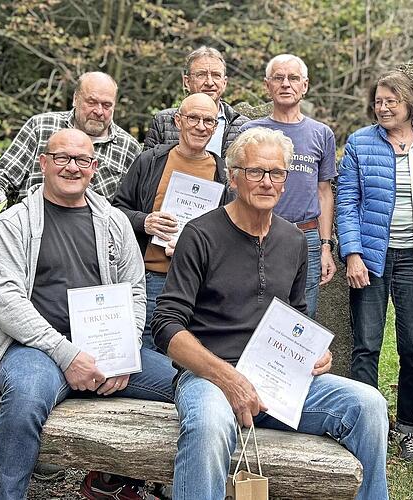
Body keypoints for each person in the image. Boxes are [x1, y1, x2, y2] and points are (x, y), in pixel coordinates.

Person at [151, 127, 389, 500]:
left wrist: (313, 352)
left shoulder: (294, 240)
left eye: (277, 172)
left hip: (279, 383)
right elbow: (166, 325)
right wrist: (229, 379)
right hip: (210, 379)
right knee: (209, 426)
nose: (267, 182)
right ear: (233, 178)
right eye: (256, 171)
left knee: (368, 404)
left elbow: (296, 317)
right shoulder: (199, 235)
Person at [0, 129, 174, 500]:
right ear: (44, 162)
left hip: (106, 347)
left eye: (82, 159)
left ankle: (114, 482)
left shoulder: (114, 221)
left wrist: (124, 353)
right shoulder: (13, 224)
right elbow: (6, 302)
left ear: (94, 167)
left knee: (187, 385)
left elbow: (134, 289)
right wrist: (67, 355)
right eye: (62, 158)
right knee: (25, 400)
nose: (72, 167)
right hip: (36, 350)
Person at [0, 72, 142, 380]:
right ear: (75, 99)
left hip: (91, 233)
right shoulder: (41, 125)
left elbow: (130, 204)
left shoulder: (129, 147)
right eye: (91, 102)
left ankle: (106, 346)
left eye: (107, 105)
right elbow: (3, 173)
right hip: (32, 228)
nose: (99, 111)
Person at [336, 71, 413, 461]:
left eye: (391, 101)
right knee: (366, 346)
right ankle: (367, 427)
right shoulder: (359, 143)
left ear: (410, 103)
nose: (383, 108)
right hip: (371, 259)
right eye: (378, 102)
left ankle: (408, 427)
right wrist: (352, 253)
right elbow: (347, 203)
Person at [113, 93, 230, 351]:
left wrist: (194, 249)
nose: (201, 126)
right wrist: (145, 221)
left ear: (215, 127)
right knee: (145, 353)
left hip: (197, 286)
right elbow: (116, 211)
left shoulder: (223, 174)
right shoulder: (150, 161)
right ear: (178, 121)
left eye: (209, 121)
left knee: (188, 356)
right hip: (152, 280)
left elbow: (228, 235)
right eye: (193, 118)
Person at [240, 54, 337, 318]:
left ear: (305, 85)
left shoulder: (321, 133)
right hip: (258, 235)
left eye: (293, 78)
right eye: (278, 78)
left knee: (302, 318)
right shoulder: (250, 132)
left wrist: (325, 245)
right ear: (267, 85)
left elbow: (324, 192)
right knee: (253, 312)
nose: (286, 84)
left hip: (307, 237)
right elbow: (238, 187)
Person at [143, 46, 249, 157]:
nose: (209, 82)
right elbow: (147, 165)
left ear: (224, 83)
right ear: (187, 82)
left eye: (216, 75)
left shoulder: (243, 126)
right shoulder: (163, 121)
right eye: (201, 75)